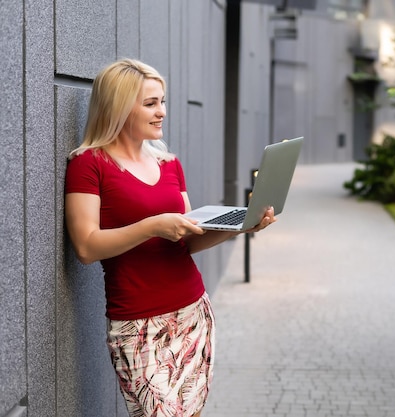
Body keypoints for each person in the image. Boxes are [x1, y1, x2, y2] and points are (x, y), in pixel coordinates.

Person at [64, 58, 276, 417]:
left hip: (194, 312)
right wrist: (153, 225)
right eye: (150, 103)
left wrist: (241, 227)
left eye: (162, 101)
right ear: (118, 107)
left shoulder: (169, 164)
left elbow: (187, 241)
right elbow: (85, 247)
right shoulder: (90, 164)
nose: (161, 112)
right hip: (138, 324)